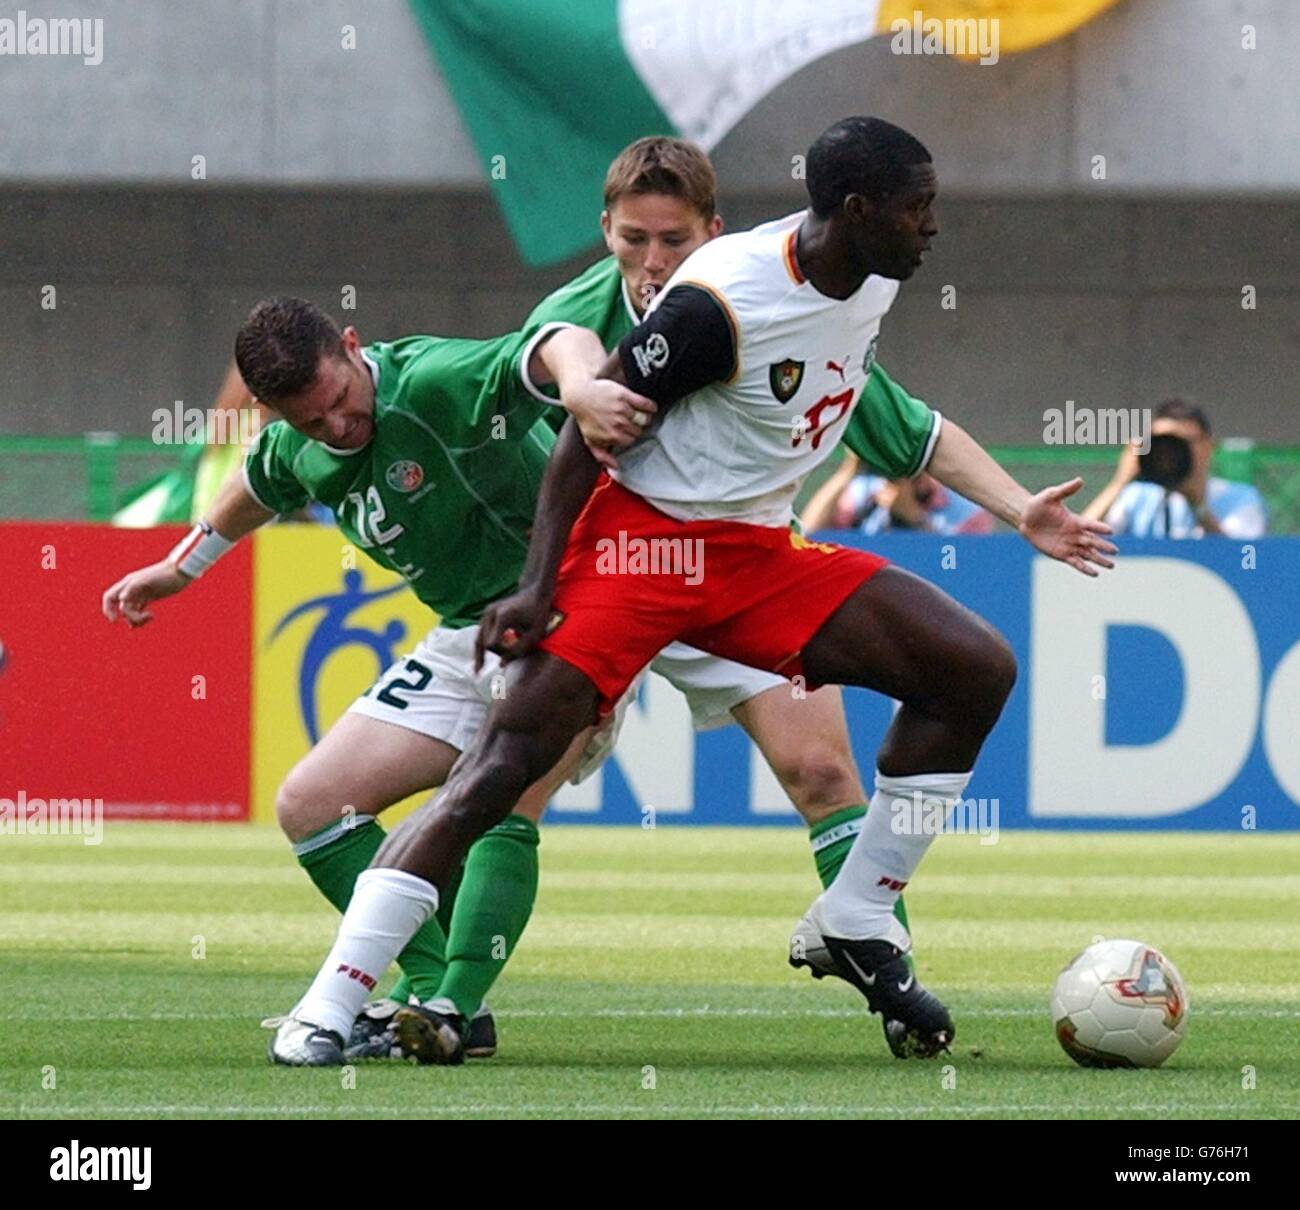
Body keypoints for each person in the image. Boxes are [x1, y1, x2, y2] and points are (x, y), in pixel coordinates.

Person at [272, 116, 1115, 1068]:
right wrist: (537, 589)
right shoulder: (720, 303)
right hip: (639, 555)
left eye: (672, 237)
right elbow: (579, 437)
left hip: (757, 554)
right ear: (858, 210)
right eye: (919, 208)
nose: (933, 228)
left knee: (974, 669)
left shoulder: (868, 278)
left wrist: (1019, 513)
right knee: (497, 776)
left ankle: (857, 914)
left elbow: (907, 427)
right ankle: (328, 1009)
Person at [1083, 398, 1267, 538]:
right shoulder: (1137, 498)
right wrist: (1120, 482)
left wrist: (1199, 507)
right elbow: (1080, 538)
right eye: (1162, 443)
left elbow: (1245, 562)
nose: (1171, 453)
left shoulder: (1240, 498)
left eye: (1184, 443)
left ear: (1209, 446)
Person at [803, 453, 993, 534]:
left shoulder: (967, 511)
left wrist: (916, 520)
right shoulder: (864, 494)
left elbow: (962, 567)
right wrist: (849, 470)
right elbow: (811, 533)